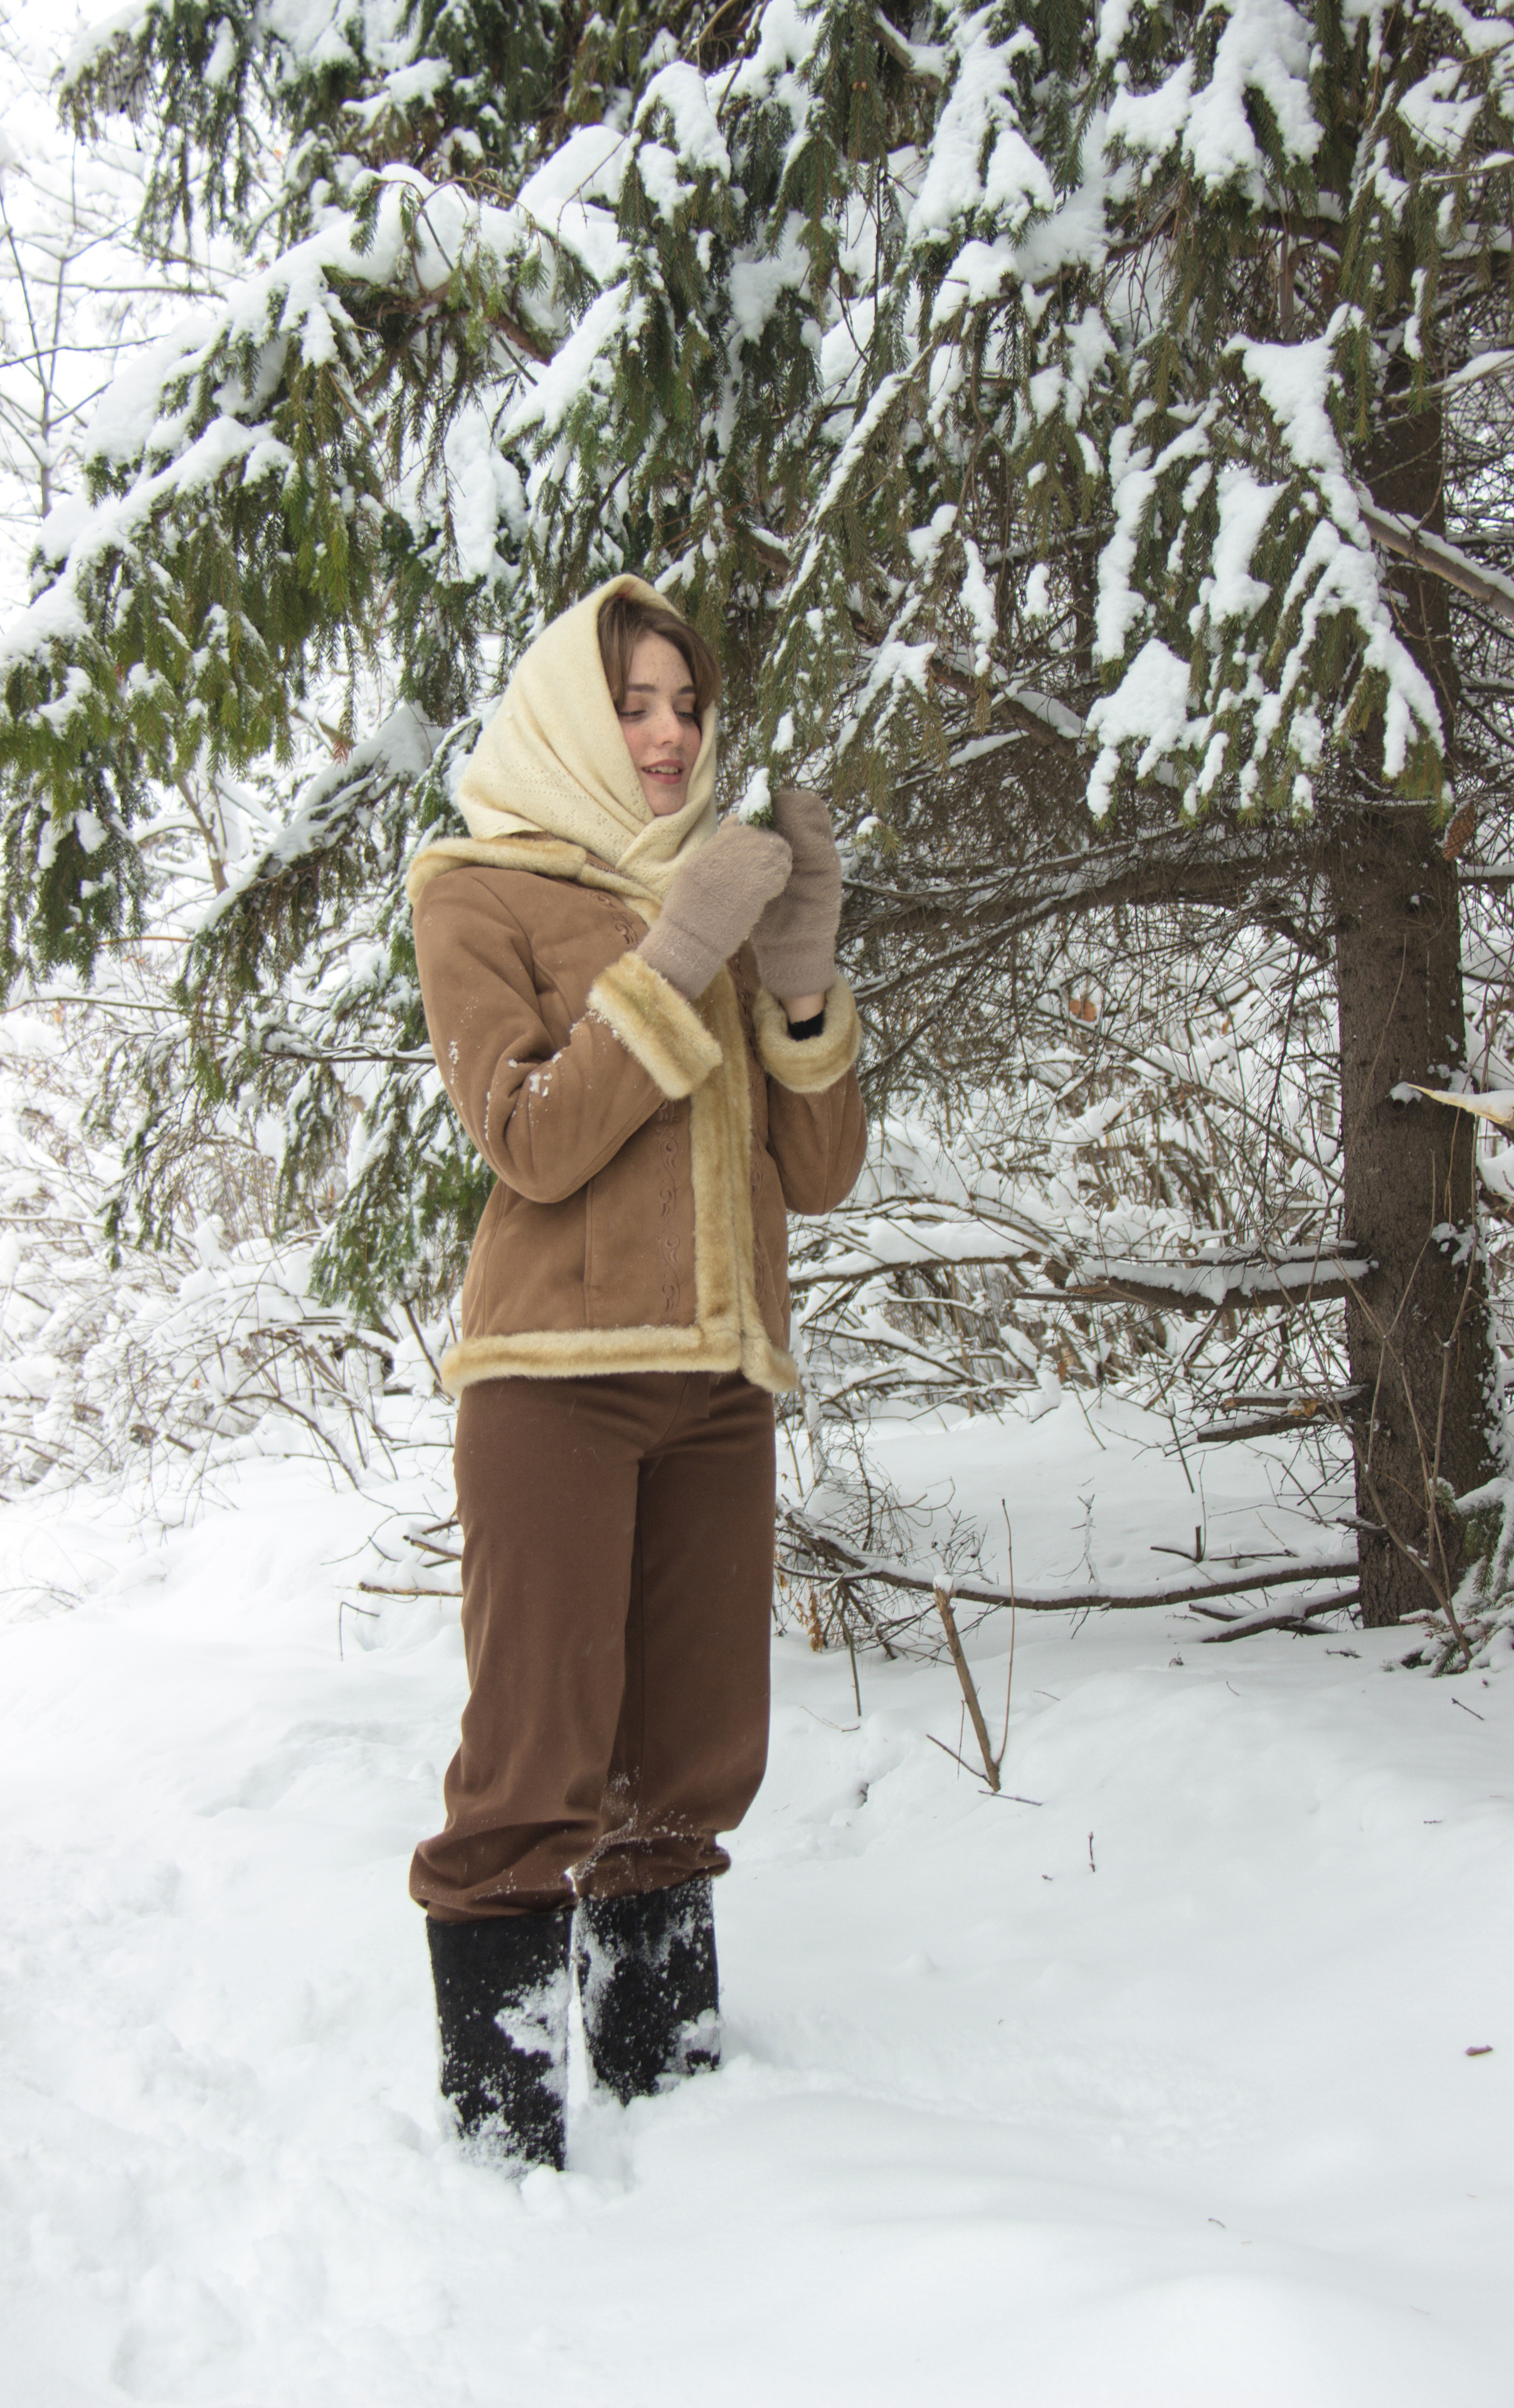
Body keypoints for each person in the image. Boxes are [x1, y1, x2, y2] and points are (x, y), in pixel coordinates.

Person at [405, 573, 867, 2168]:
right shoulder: (478, 886)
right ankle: (501, 2138)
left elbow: (816, 1169)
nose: (668, 737)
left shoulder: (721, 891)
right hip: (553, 1380)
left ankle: (671, 2100)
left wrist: (795, 975)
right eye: (635, 704)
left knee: (690, 1763)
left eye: (686, 704)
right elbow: (529, 1139)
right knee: (533, 1760)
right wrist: (675, 957)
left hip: (720, 1384)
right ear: (567, 712)